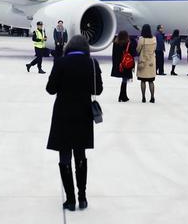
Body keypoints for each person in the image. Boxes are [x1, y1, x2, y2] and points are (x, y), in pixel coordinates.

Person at [46, 35, 103, 211]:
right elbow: (98, 89)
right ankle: (82, 197)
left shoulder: (61, 62)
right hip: (83, 114)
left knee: (64, 156)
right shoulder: (92, 63)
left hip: (63, 113)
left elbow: (50, 89)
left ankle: (70, 199)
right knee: (80, 155)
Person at [111, 31, 136, 102]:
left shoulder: (116, 43)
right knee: (124, 80)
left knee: (124, 80)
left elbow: (114, 55)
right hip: (126, 64)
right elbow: (132, 54)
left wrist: (116, 64)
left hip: (120, 64)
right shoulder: (128, 43)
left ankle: (123, 95)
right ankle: (122, 96)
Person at [137, 24, 157, 103]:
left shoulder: (141, 39)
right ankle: (152, 97)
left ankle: (143, 97)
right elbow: (154, 49)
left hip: (143, 61)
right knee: (151, 81)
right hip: (151, 62)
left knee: (143, 81)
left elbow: (138, 49)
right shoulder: (154, 39)